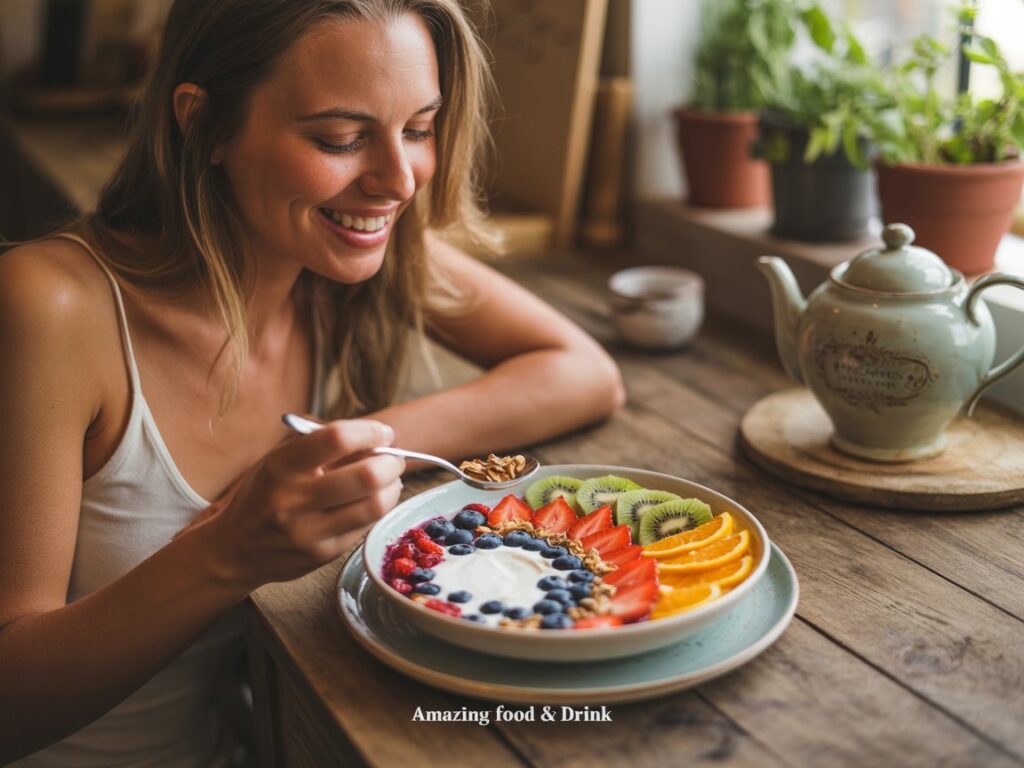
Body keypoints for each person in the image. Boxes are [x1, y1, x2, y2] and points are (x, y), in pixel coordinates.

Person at [0, 0, 625, 765]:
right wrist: (226, 551)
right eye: (340, 139)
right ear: (204, 125)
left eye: (419, 128)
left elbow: (584, 372)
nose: (398, 179)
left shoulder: (348, 249)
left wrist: (358, 449)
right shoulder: (50, 307)